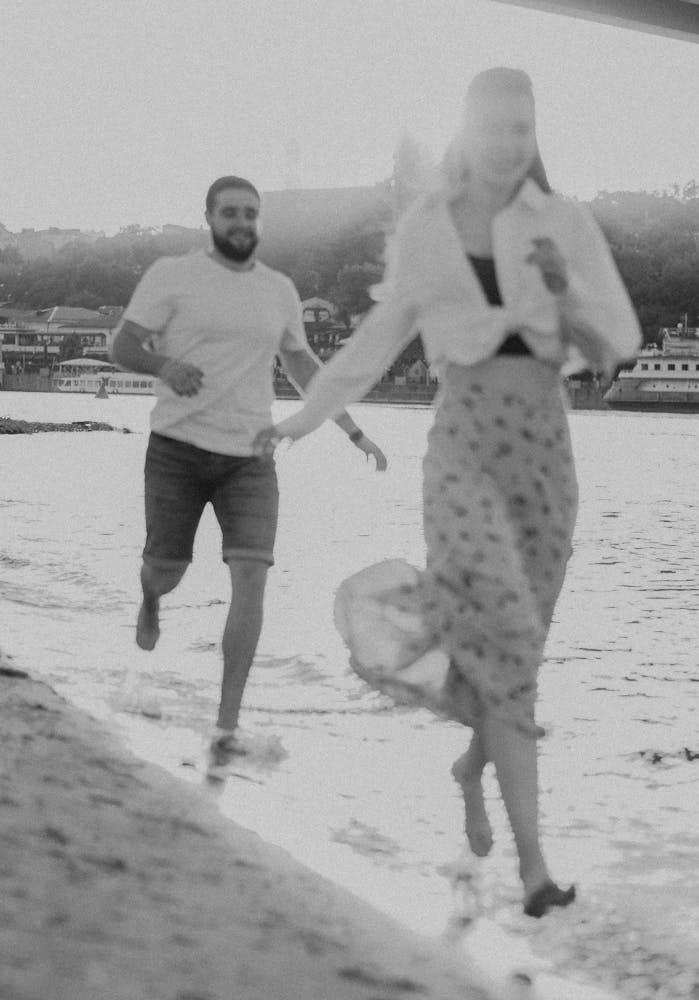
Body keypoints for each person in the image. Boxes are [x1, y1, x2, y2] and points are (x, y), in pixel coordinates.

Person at [253, 69, 640, 917]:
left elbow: (619, 343)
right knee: (502, 630)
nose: (509, 141)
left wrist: (563, 287)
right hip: (463, 440)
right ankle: (535, 868)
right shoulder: (429, 227)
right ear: (467, 131)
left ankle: (473, 768)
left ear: (536, 133)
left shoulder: (564, 223)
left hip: (544, 441)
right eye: (494, 125)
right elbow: (373, 340)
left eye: (523, 126)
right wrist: (301, 422)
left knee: (518, 648)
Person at [111, 175, 387, 760]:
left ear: (260, 222)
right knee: (167, 569)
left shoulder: (279, 290)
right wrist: (164, 368)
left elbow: (305, 368)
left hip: (251, 459)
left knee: (252, 579)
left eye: (251, 213)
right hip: (177, 450)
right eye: (230, 211)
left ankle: (226, 725)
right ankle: (152, 598)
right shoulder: (172, 275)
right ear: (209, 217)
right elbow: (123, 345)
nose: (241, 221)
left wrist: (353, 431)